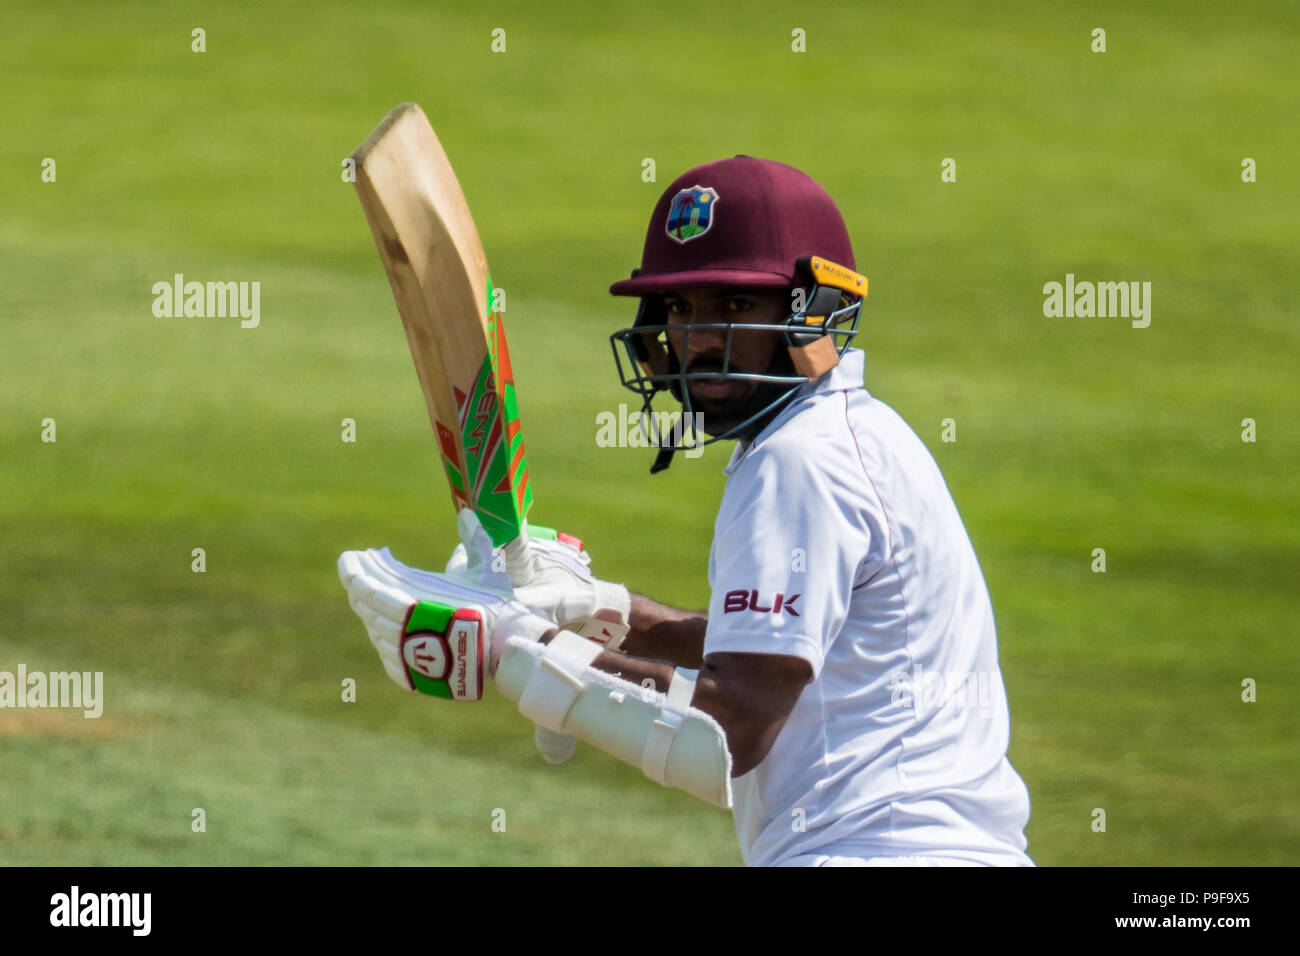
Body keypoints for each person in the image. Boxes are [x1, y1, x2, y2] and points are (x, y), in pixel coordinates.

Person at [338, 156, 1032, 867]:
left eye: (733, 306)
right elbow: (778, 654)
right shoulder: (857, 434)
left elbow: (728, 731)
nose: (697, 339)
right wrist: (605, 610)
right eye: (678, 309)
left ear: (811, 311)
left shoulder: (800, 463)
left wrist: (518, 653)